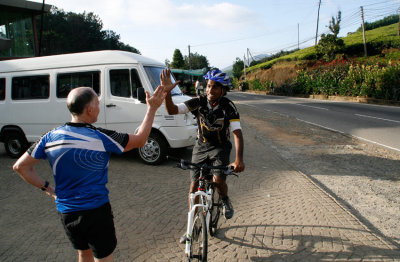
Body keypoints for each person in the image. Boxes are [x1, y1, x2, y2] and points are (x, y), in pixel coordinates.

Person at [13, 86, 166, 262]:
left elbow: (20, 167)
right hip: (96, 211)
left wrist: (49, 190)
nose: (100, 108)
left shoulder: (49, 137)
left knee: (83, 253)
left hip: (67, 212)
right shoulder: (100, 137)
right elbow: (140, 140)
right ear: (89, 109)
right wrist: (152, 108)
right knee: (103, 258)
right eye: (98, 104)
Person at [161, 68, 245, 243]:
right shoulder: (198, 102)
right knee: (193, 190)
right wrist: (167, 93)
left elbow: (237, 133)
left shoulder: (228, 107)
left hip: (220, 148)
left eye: (215, 87)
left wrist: (238, 159)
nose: (210, 90)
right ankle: (190, 229)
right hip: (200, 147)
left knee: (218, 180)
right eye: (208, 86)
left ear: (223, 90)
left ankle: (224, 199)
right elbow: (172, 110)